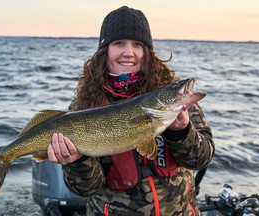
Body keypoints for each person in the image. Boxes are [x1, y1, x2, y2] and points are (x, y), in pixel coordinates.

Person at [47, 6, 215, 216]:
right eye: (119, 43)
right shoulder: (84, 106)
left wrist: (182, 132)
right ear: (105, 50)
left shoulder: (172, 97)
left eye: (137, 44)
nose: (129, 52)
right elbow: (85, 189)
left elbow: (202, 158)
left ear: (147, 51)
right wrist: (76, 161)